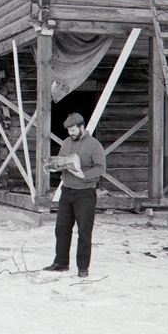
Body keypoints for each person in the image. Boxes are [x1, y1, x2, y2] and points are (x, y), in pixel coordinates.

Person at [43, 112, 106, 278]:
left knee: (84, 231)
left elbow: (100, 168)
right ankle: (61, 262)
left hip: (85, 194)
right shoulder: (66, 143)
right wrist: (53, 166)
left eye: (72, 130)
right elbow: (61, 161)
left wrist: (84, 175)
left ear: (81, 127)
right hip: (67, 191)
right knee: (61, 228)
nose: (70, 133)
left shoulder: (94, 145)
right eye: (68, 130)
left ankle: (83, 267)